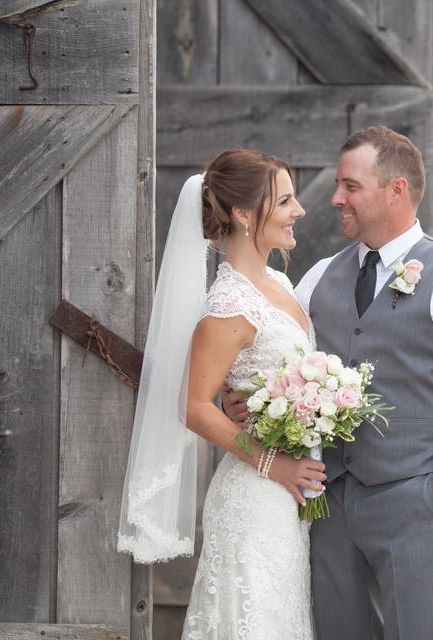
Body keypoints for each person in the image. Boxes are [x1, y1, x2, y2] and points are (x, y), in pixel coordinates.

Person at [224, 126, 433, 639]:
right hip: (328, 503)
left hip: (412, 499)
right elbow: (279, 360)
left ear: (396, 189)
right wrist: (242, 401)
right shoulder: (319, 277)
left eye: (350, 187)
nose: (335, 199)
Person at [117, 149, 326, 639]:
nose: (299, 211)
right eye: (286, 201)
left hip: (286, 498)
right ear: (244, 213)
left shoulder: (278, 282)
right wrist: (275, 463)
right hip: (254, 494)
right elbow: (192, 407)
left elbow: (253, 374)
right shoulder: (228, 304)